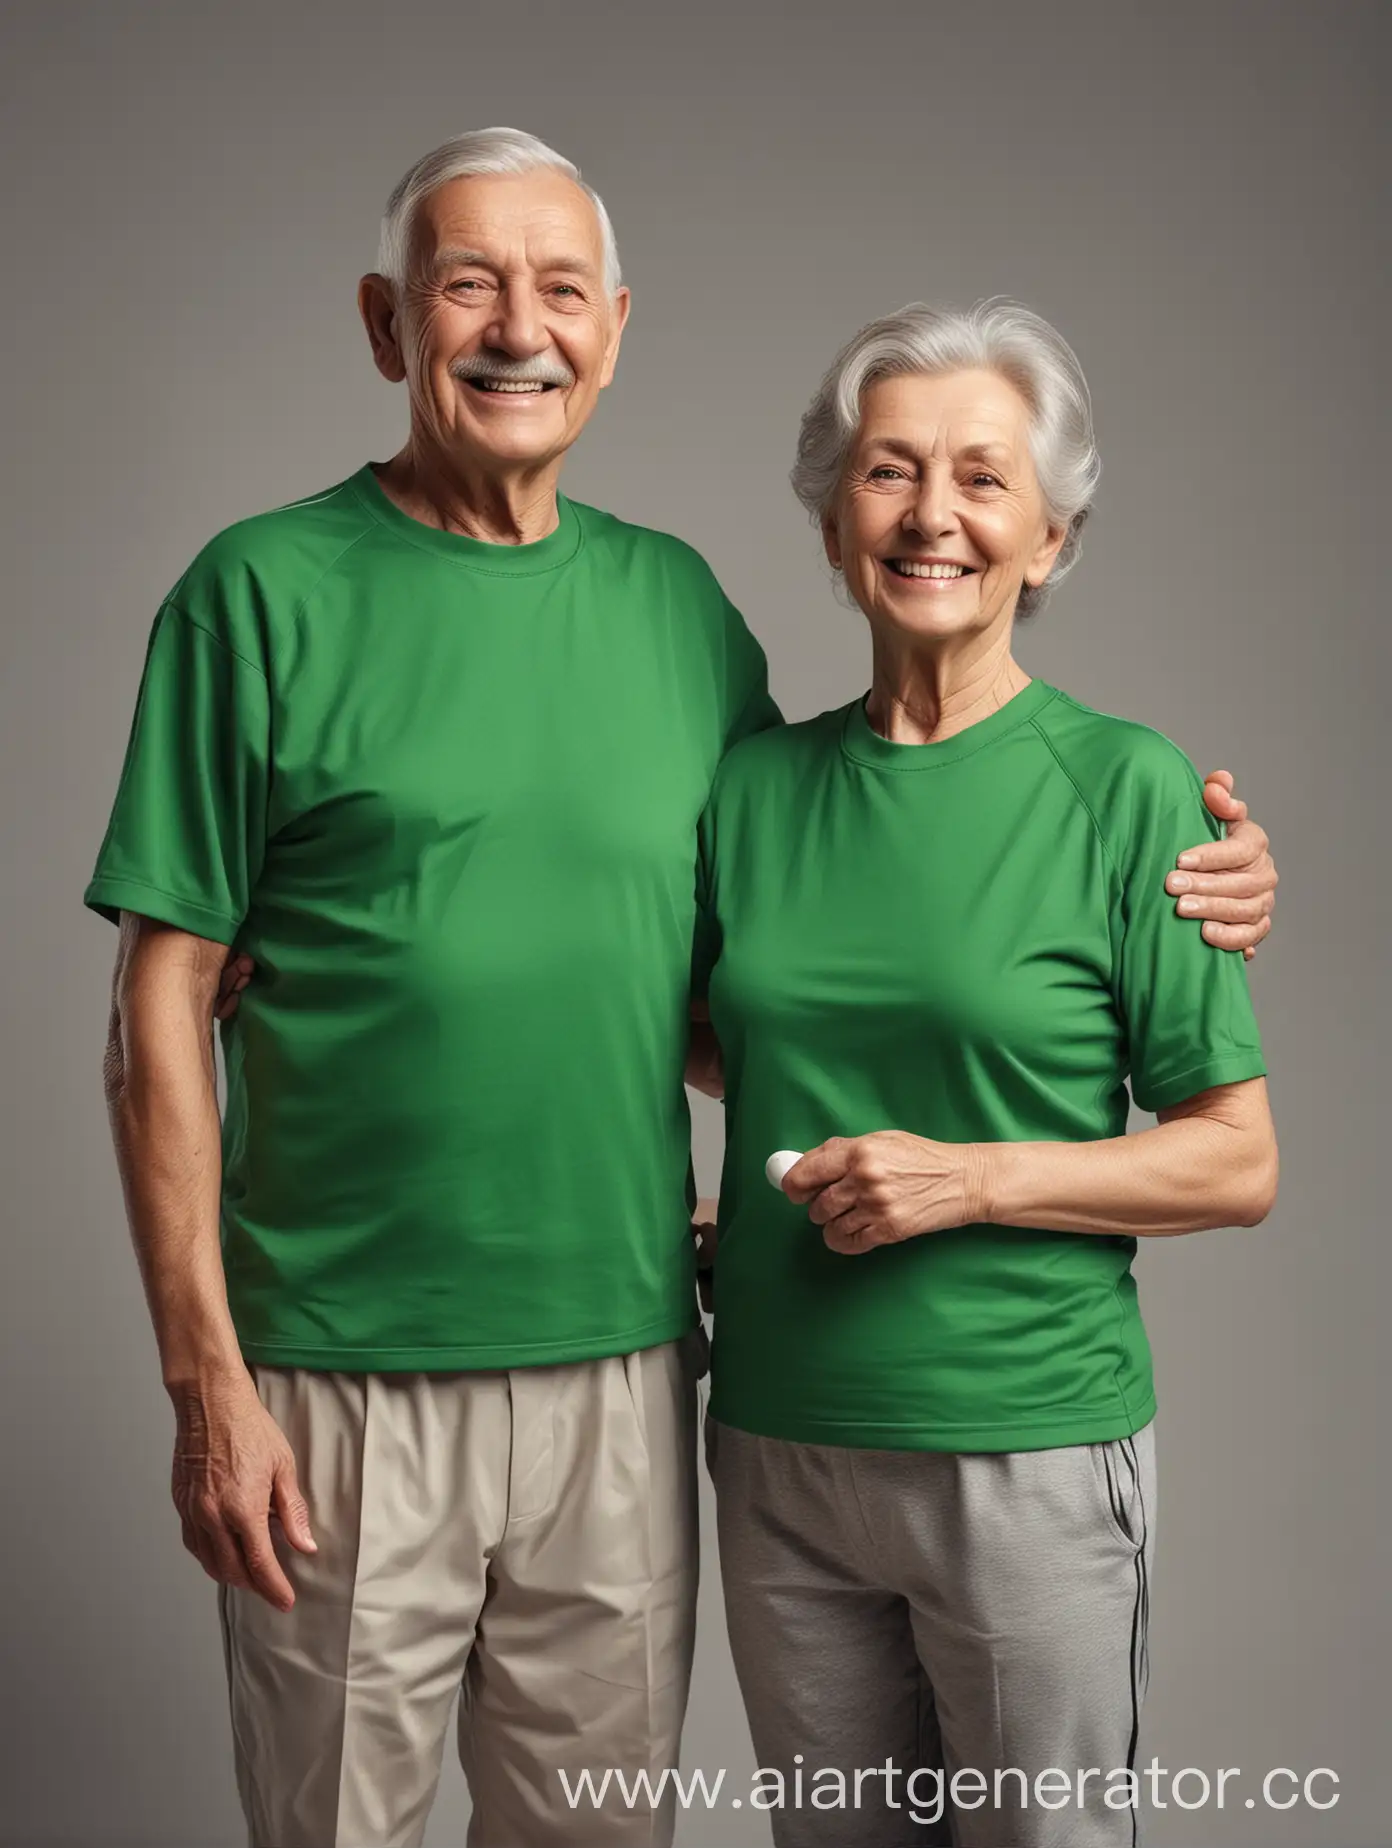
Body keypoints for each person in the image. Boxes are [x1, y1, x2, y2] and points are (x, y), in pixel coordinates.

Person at [86, 125, 1276, 1848]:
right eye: (468, 283)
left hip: (638, 1378)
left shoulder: (681, 619)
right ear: (385, 322)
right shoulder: (257, 596)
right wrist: (206, 1382)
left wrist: (1210, 880)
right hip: (340, 1370)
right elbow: (158, 1014)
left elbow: (754, 972)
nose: (519, 327)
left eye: (560, 287)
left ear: (617, 328)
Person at [698, 299, 1279, 1848]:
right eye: (890, 472)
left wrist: (967, 1182)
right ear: (836, 523)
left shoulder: (1126, 787)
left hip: (1024, 1450)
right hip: (776, 1444)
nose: (931, 514)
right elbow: (708, 1034)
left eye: (981, 477)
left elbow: (1235, 1160)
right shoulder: (751, 788)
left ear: (1049, 537)